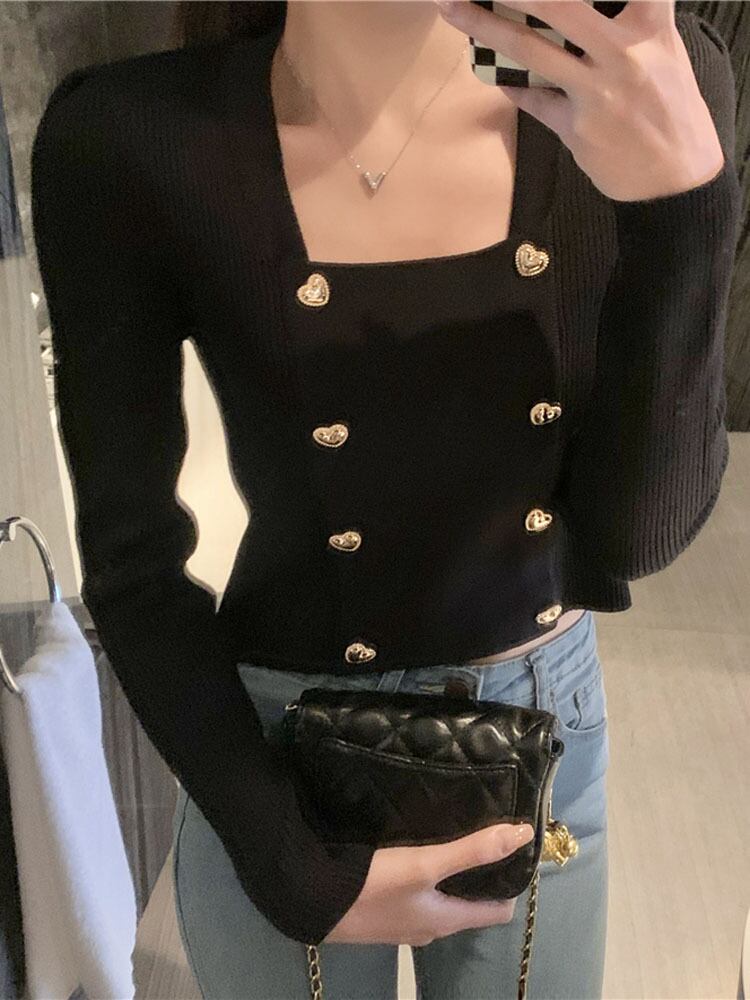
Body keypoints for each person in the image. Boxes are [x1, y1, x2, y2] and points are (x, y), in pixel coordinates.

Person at [30, 1, 740, 997]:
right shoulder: (127, 137)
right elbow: (133, 564)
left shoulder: (639, 86)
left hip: (536, 725)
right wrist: (280, 853)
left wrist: (685, 215)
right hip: (271, 755)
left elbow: (633, 538)